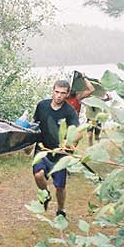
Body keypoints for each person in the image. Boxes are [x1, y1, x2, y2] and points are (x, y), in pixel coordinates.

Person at [32, 80, 80, 218]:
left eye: (62, 93)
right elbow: (34, 124)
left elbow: (77, 133)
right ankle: (46, 194)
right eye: (56, 92)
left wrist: (69, 145)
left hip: (60, 154)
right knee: (38, 175)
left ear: (67, 94)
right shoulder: (42, 105)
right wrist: (27, 142)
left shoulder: (70, 112)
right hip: (42, 149)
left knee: (60, 187)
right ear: (52, 90)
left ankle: (60, 210)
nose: (59, 96)